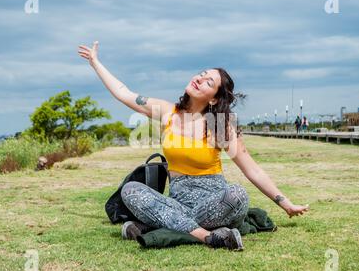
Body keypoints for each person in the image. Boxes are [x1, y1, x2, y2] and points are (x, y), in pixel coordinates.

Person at [78, 41, 309, 250]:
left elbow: (252, 169)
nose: (199, 78)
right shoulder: (168, 112)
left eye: (208, 81)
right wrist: (95, 63)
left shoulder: (220, 125)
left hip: (216, 203)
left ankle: (161, 227)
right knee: (130, 190)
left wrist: (285, 203)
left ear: (214, 98)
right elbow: (124, 94)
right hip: (177, 199)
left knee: (238, 194)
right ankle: (207, 237)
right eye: (201, 74)